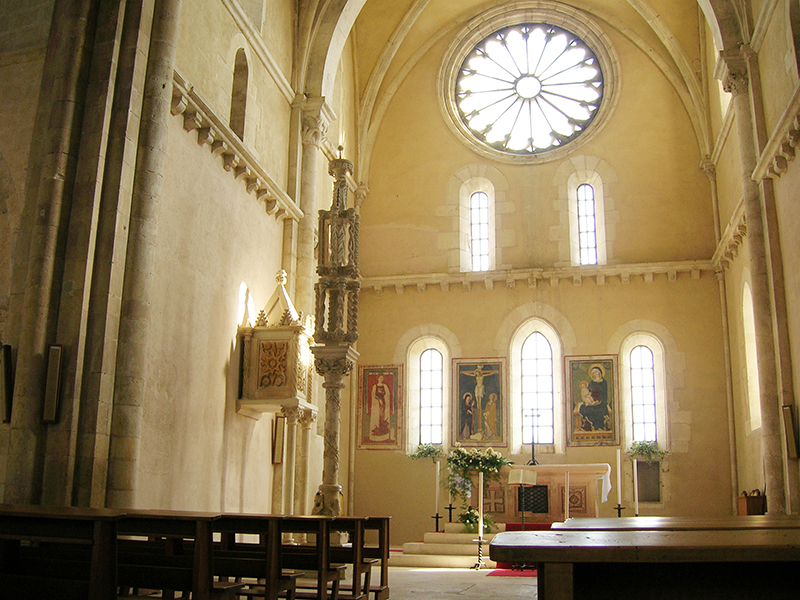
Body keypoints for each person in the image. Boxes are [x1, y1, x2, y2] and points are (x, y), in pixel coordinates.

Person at [579, 364, 610, 430]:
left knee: (599, 410)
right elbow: (588, 393)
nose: (595, 374)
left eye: (596, 372)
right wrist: (590, 400)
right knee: (584, 408)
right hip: (592, 401)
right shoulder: (592, 382)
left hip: (601, 402)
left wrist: (600, 401)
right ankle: (588, 426)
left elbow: (605, 394)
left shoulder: (604, 382)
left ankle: (599, 427)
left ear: (600, 372)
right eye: (593, 373)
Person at [368, 374, 392, 440]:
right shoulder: (375, 386)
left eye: (382, 378)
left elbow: (387, 394)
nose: (381, 379)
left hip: (383, 403)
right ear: (378, 379)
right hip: (377, 403)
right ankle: (376, 430)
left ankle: (383, 431)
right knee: (377, 416)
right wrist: (379, 400)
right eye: (380, 378)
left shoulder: (385, 386)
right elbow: (373, 395)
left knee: (382, 416)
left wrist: (384, 396)